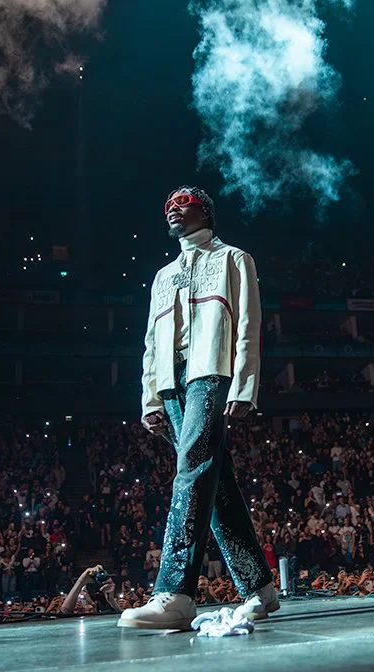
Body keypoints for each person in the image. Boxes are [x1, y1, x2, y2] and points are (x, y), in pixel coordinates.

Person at [118, 186, 276, 631]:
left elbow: (249, 324)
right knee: (215, 481)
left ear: (204, 212)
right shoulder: (163, 275)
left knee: (192, 471)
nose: (171, 210)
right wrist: (150, 396)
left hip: (211, 372)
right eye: (166, 205)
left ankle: (176, 593)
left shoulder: (234, 259)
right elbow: (151, 341)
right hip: (171, 383)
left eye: (180, 204)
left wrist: (244, 384)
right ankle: (259, 588)